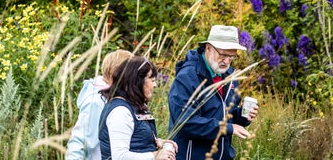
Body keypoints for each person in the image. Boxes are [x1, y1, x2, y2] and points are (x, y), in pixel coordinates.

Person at [168, 25, 259, 160]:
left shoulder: (230, 78)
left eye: (232, 56)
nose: (227, 61)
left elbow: (227, 114)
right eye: (223, 55)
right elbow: (186, 123)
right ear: (208, 48)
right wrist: (227, 128)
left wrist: (243, 116)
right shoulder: (187, 77)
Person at [99, 56, 178, 160]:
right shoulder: (120, 111)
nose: (155, 85)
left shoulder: (133, 105)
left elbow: (135, 139)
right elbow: (119, 156)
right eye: (152, 80)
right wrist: (155, 155)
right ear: (137, 81)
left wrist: (156, 141)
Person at [66, 49, 134, 160]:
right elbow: (79, 142)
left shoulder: (116, 97)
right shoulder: (96, 102)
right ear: (117, 75)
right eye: (131, 74)